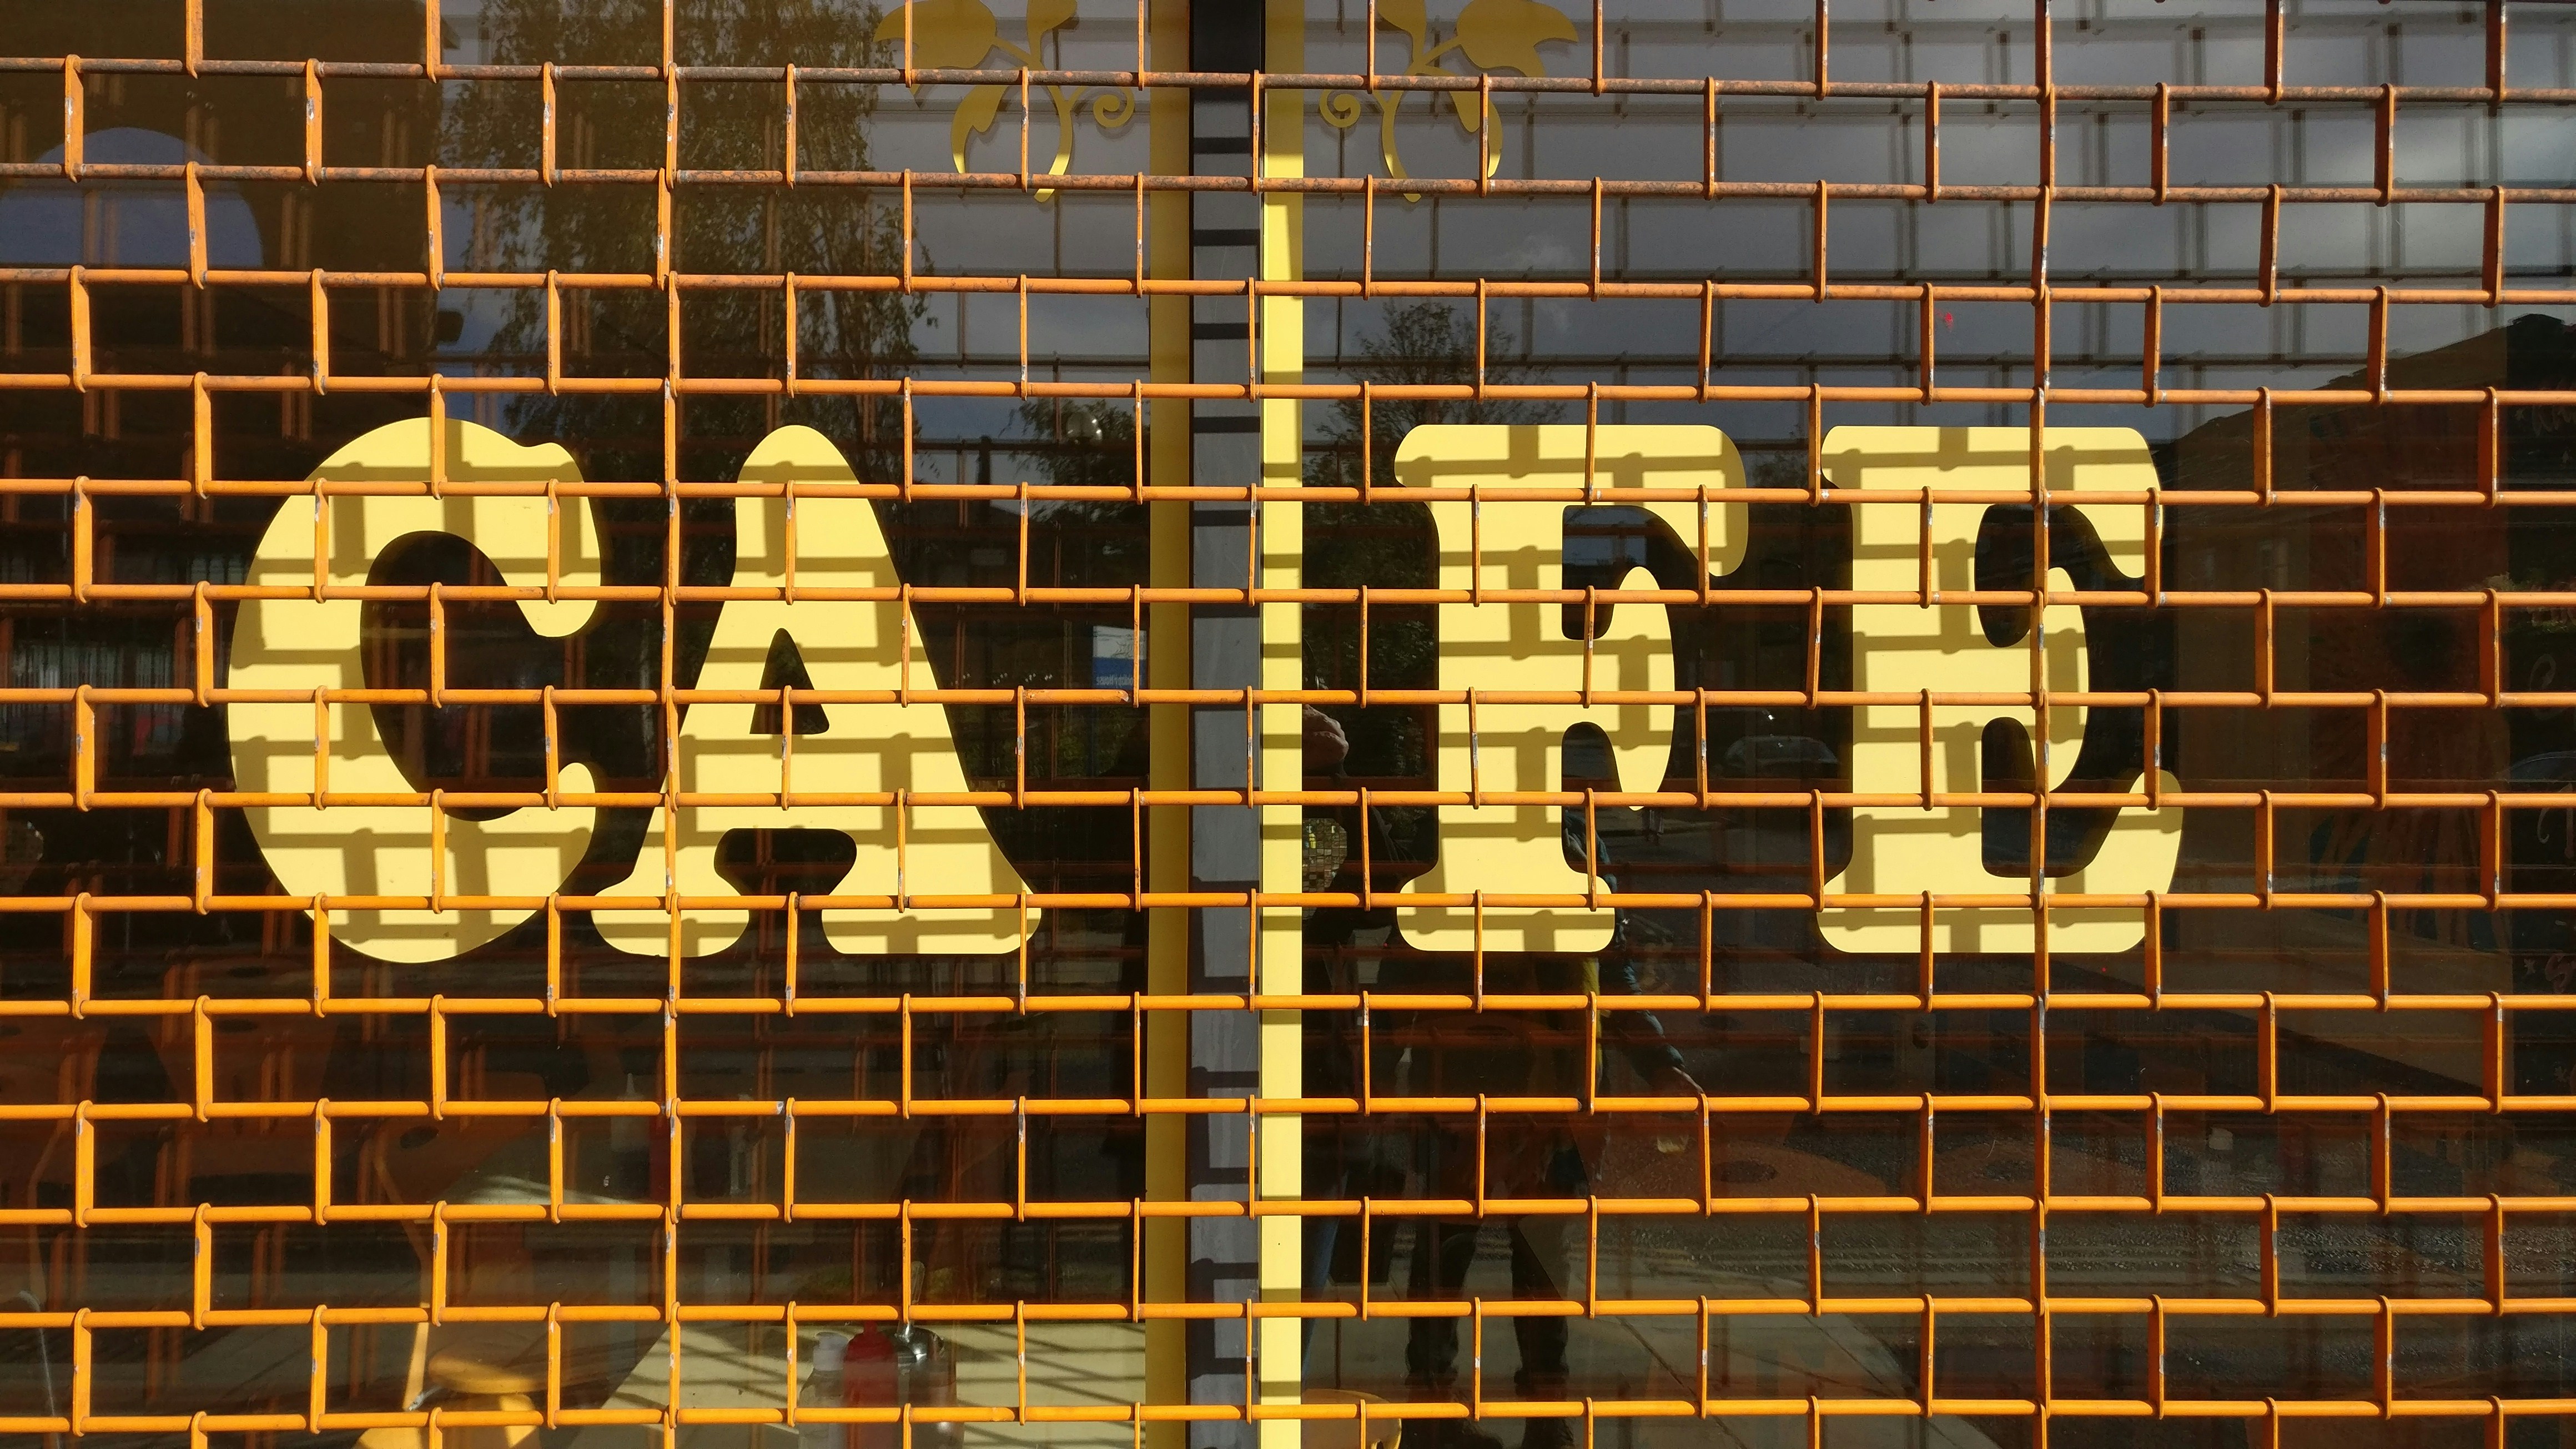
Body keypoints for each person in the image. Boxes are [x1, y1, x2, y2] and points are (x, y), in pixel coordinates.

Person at [1301, 707, 1702, 1449]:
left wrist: (1661, 1062)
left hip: (1534, 1091)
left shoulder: (1549, 847)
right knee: (1475, 1250)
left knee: (1499, 1253)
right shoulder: (1518, 848)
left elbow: (1607, 976)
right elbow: (1411, 970)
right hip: (1499, 1089)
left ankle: (1501, 1409)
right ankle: (1470, 1409)